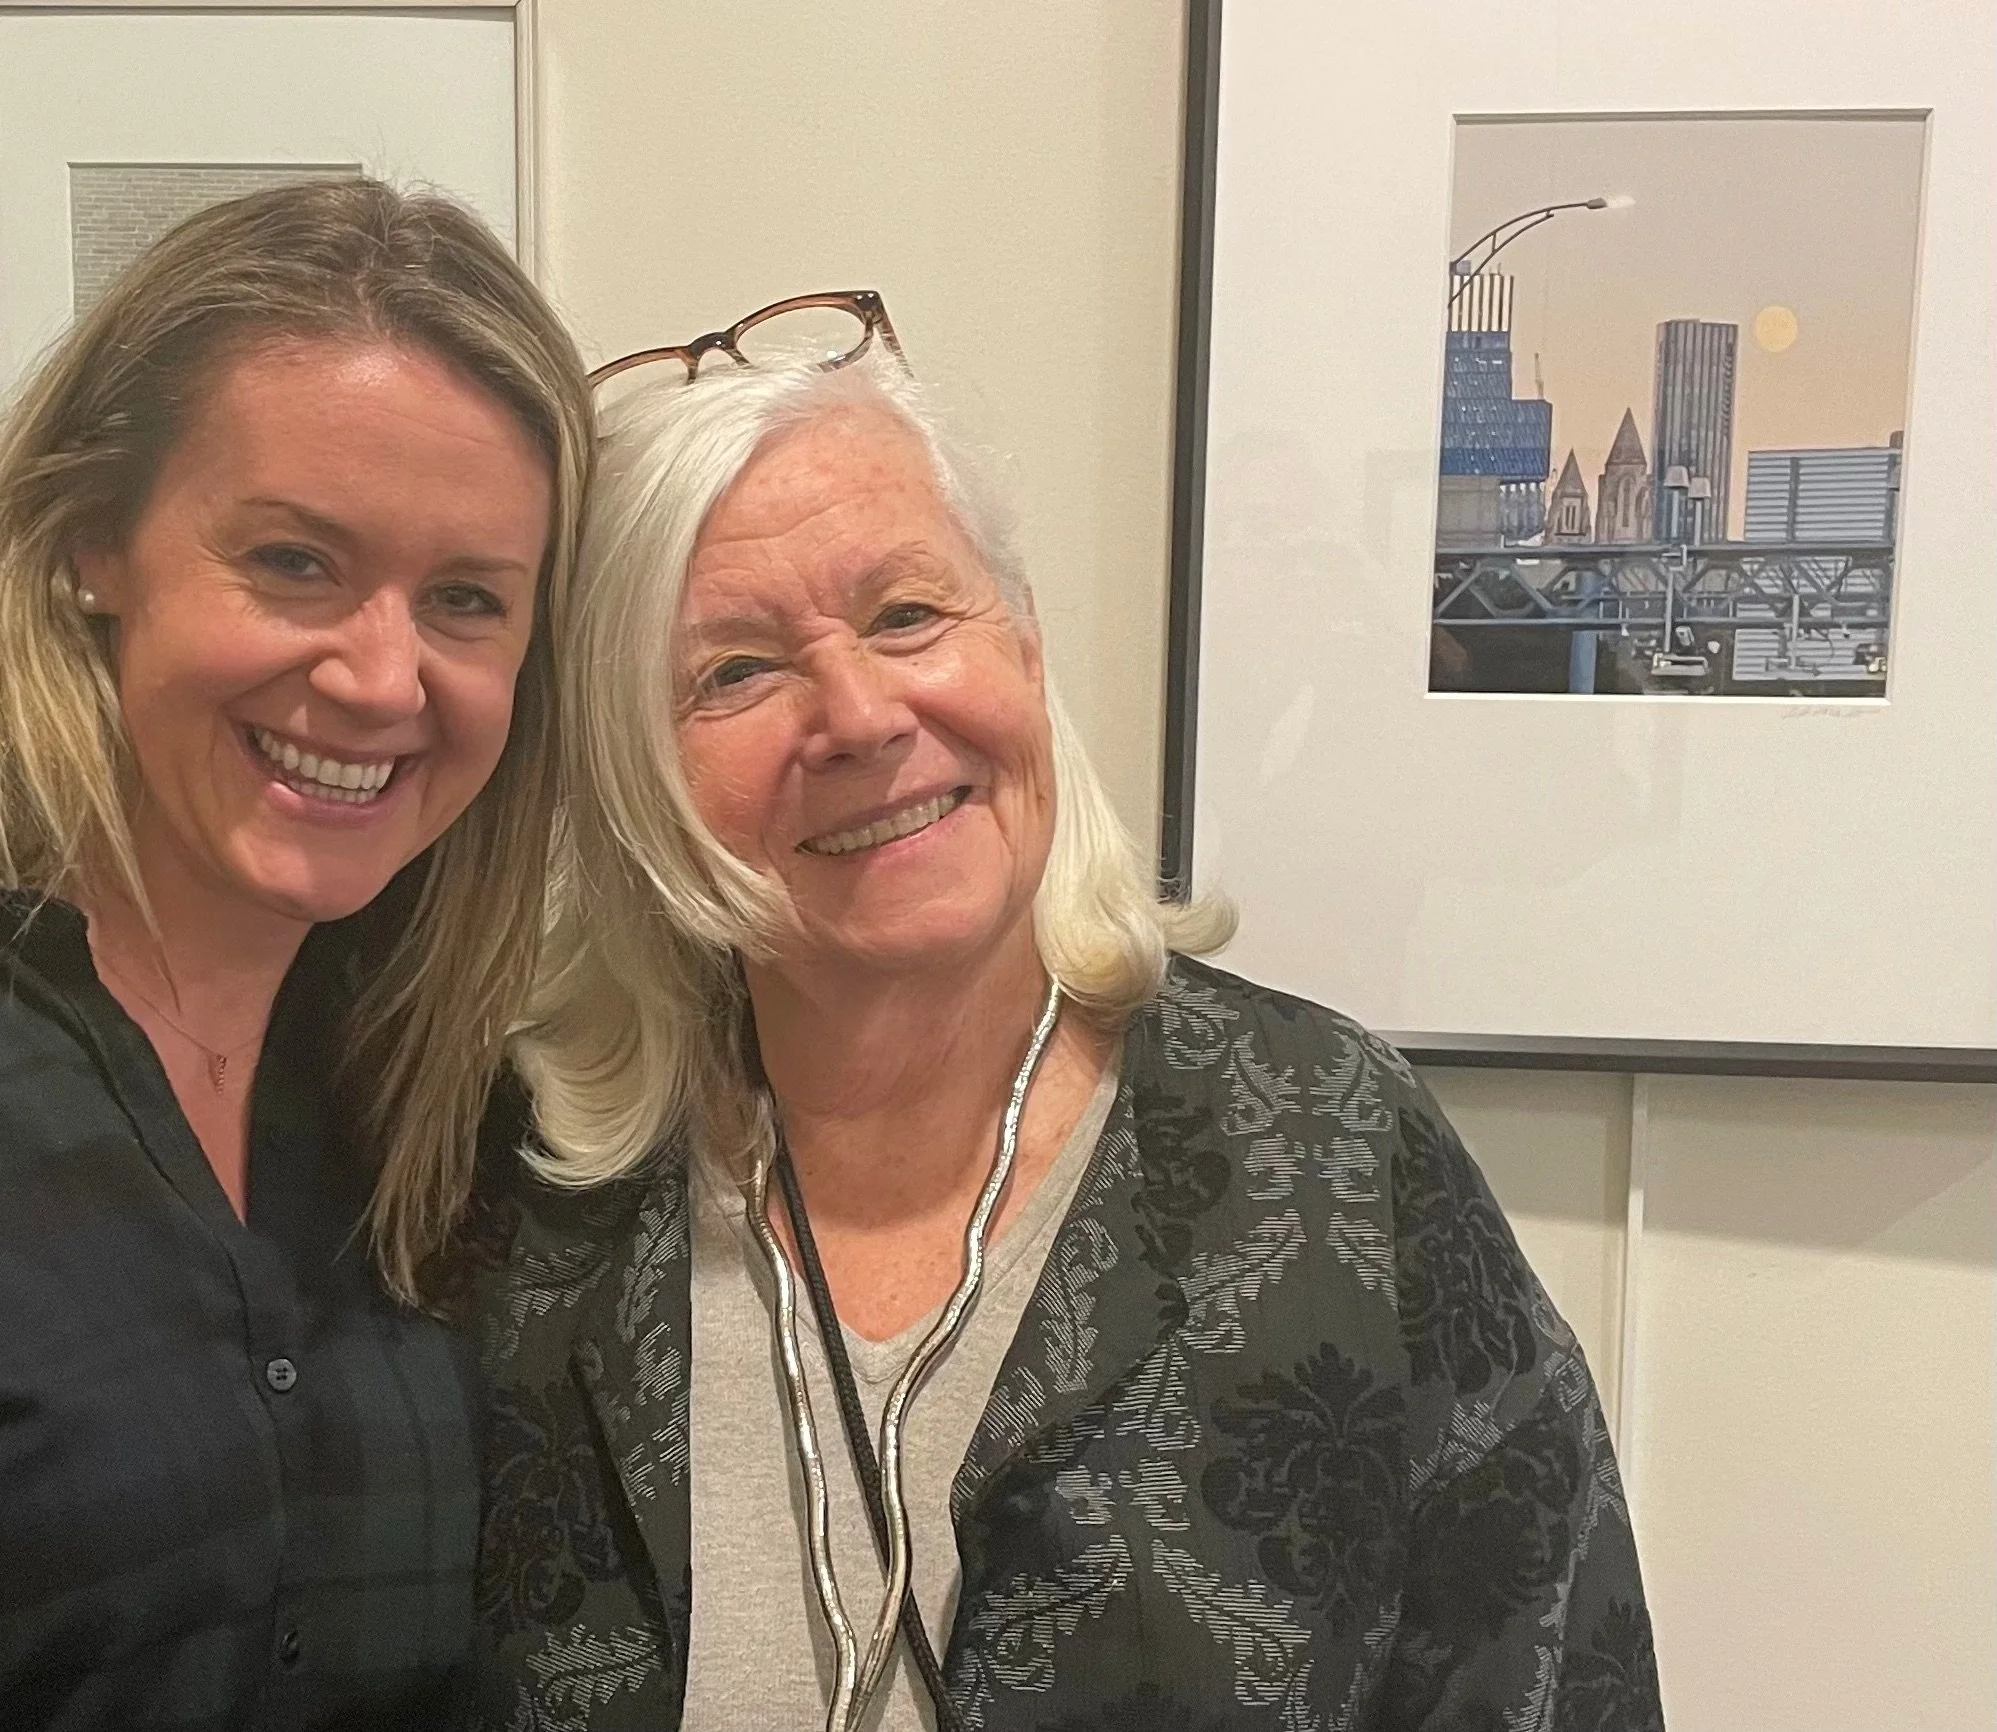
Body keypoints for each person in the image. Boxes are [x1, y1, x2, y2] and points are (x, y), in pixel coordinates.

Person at [474, 307, 1663, 1730]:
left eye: (909, 615)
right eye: (733, 671)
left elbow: (1554, 1684)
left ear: (1025, 648)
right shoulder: (523, 1198)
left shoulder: (1334, 1152)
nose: (856, 714)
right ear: (626, 771)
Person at [0, 178, 592, 1728]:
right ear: (88, 546)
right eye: (294, 561)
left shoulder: (465, 1117)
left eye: (466, 599)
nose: (382, 675)